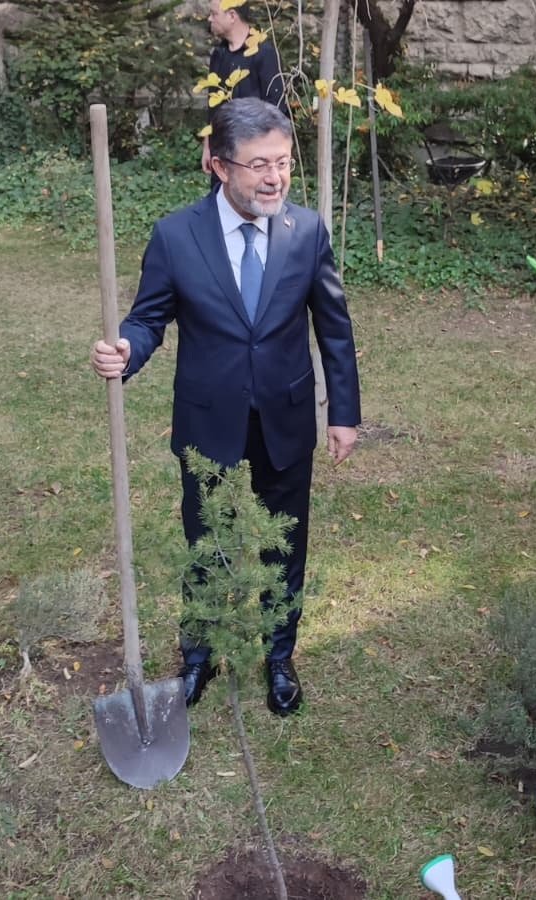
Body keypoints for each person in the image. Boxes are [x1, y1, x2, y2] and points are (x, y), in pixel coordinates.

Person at [91, 98, 361, 717]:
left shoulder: (306, 232)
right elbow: (149, 315)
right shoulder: (176, 235)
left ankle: (278, 656)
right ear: (218, 166)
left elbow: (335, 331)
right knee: (206, 539)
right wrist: (127, 349)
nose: (274, 178)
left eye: (284, 163)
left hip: (285, 414)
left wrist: (341, 413)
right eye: (259, 164)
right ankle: (198, 656)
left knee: (284, 541)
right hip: (209, 415)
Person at [200, 0, 287, 176]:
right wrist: (208, 147)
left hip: (255, 157)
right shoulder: (218, 54)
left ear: (232, 16)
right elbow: (213, 107)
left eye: (214, 14)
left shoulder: (264, 54)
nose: (210, 18)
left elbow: (276, 108)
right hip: (223, 153)